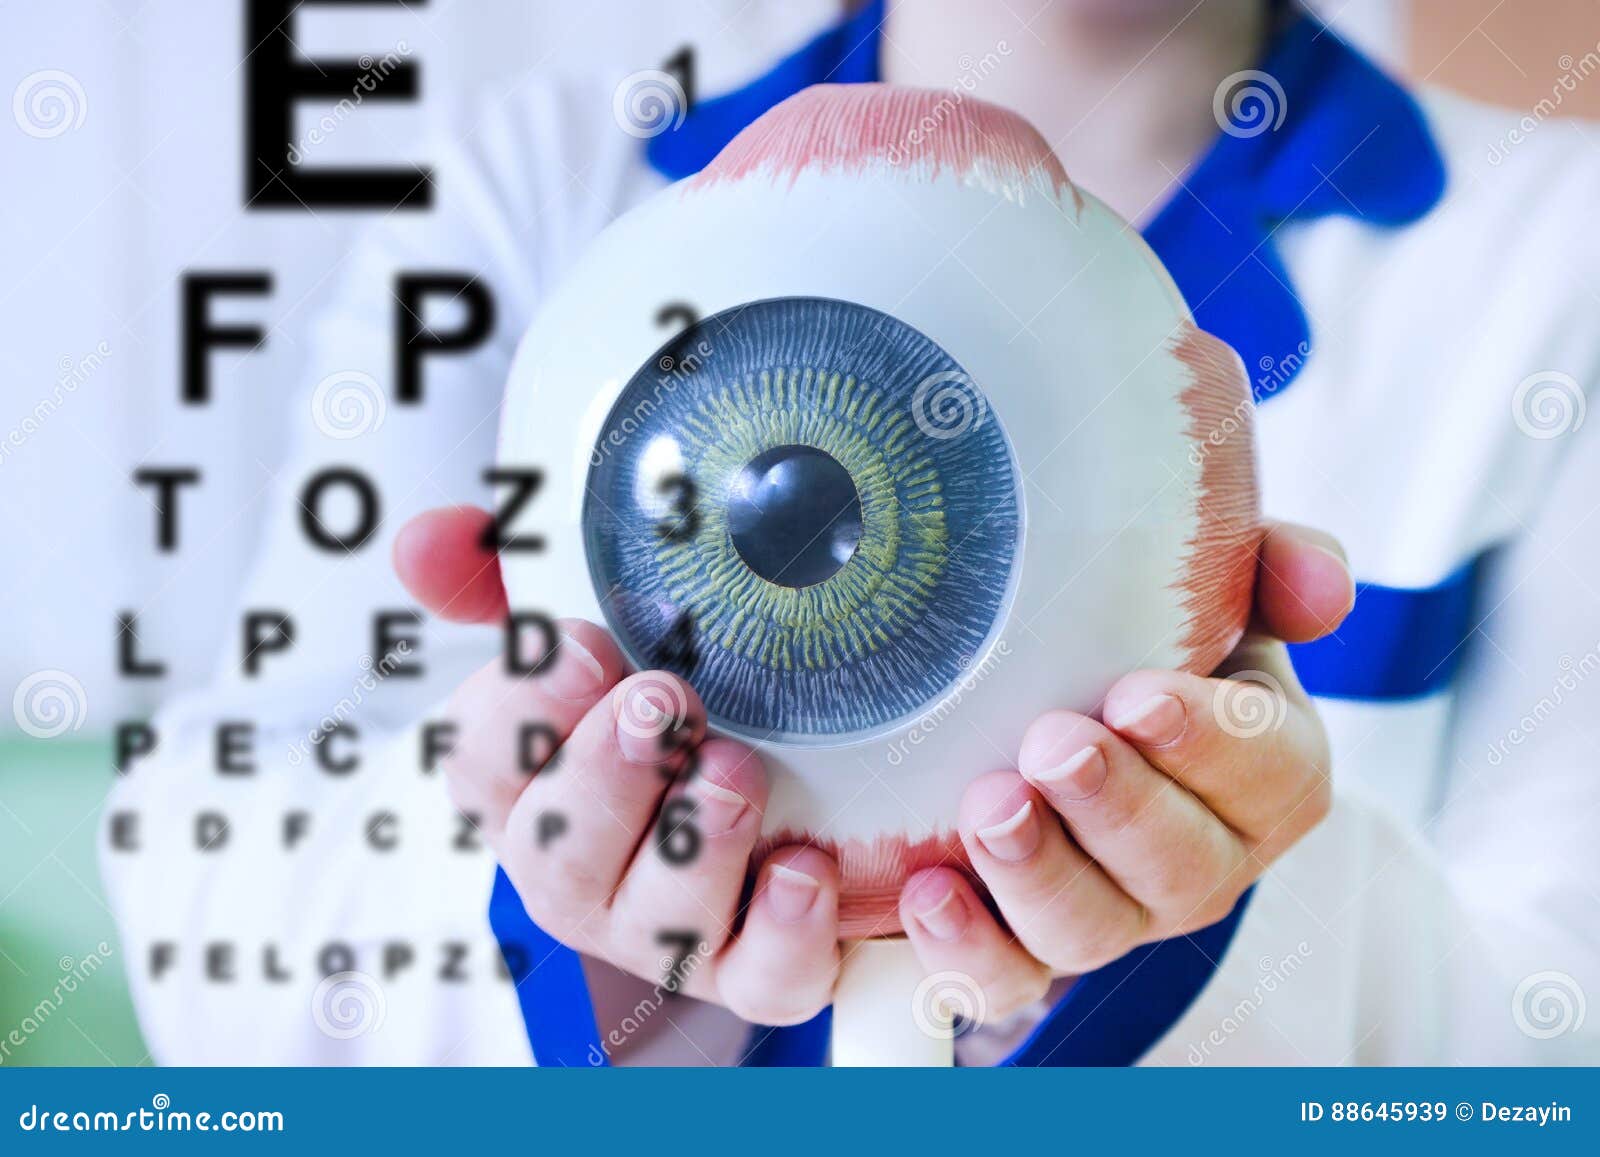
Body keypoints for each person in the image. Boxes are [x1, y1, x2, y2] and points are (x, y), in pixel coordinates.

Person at [104, 0, 1600, 1065]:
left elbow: (1561, 1032)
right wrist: (559, 918)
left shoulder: (1563, 261)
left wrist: (1196, 930)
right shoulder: (531, 193)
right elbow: (211, 872)